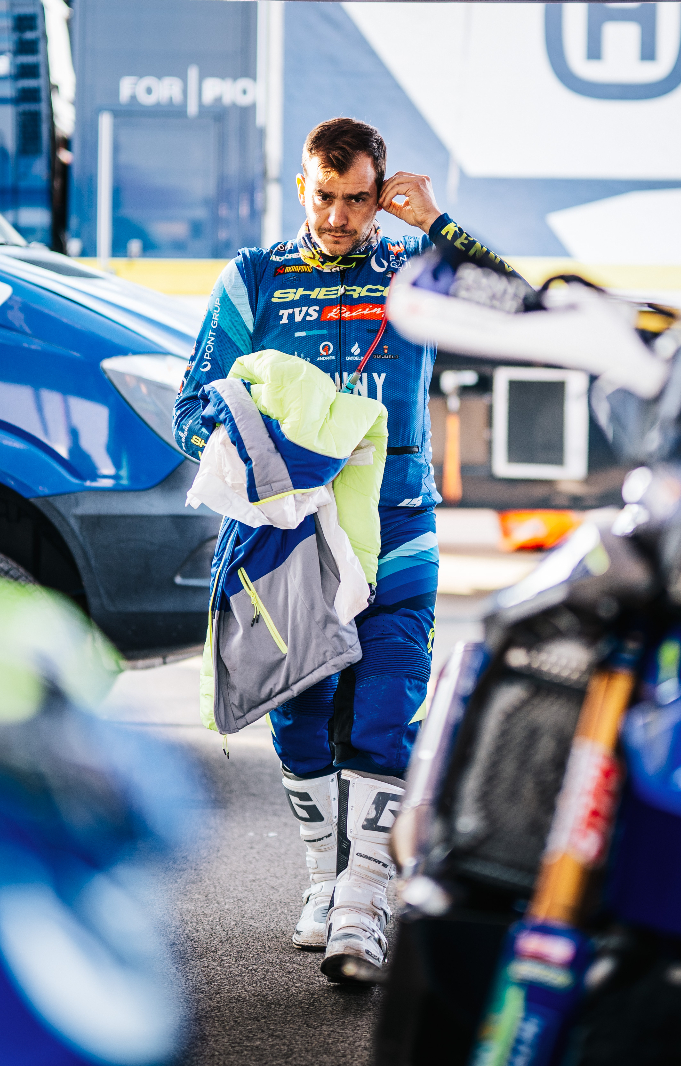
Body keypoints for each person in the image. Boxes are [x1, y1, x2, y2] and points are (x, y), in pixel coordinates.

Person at [172, 117, 520, 983]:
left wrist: (434, 222)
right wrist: (268, 445)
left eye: (356, 198)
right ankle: (324, 884)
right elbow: (190, 412)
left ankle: (365, 903)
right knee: (297, 712)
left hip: (400, 527)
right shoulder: (253, 278)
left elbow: (517, 303)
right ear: (302, 187)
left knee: (385, 711)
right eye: (324, 197)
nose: (337, 216)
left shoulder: (410, 273)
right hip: (289, 537)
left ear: (381, 190)